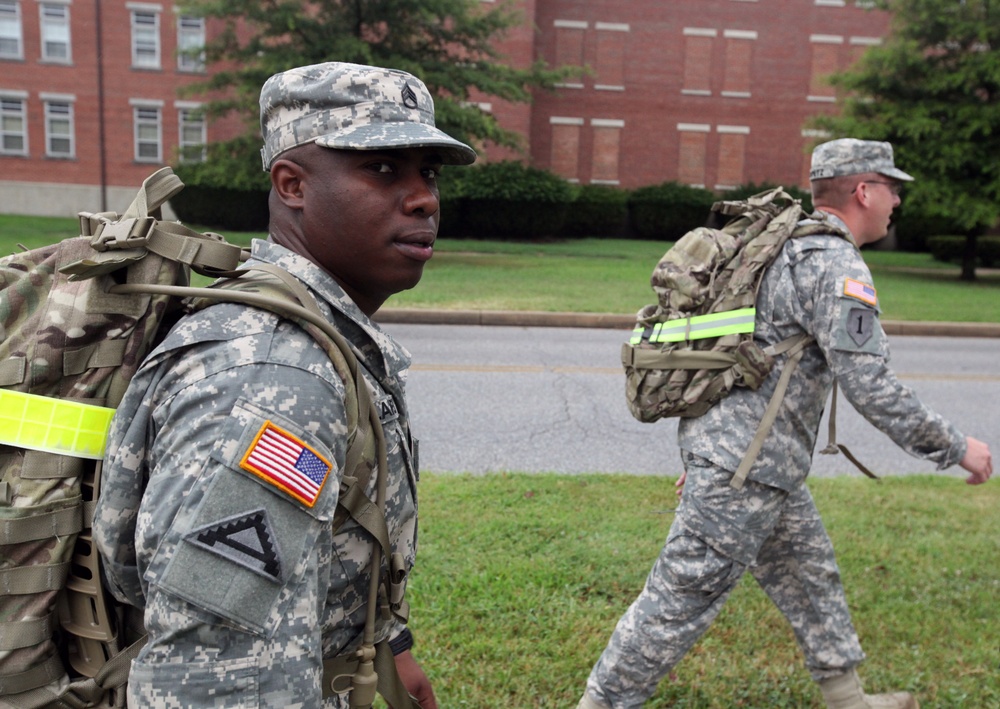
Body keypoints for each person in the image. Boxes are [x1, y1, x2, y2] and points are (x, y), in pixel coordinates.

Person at [93, 61, 476, 708]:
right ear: (292, 184)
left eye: (428, 173)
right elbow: (212, 678)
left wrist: (390, 646)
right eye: (383, 168)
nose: (423, 199)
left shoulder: (318, 332)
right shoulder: (274, 377)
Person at [577, 139, 993, 709]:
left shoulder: (783, 245)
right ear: (863, 191)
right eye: (892, 187)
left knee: (809, 575)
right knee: (677, 601)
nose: (897, 200)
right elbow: (871, 386)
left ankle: (846, 698)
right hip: (745, 469)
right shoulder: (832, 263)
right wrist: (956, 447)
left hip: (758, 465)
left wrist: (711, 459)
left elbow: (748, 353)